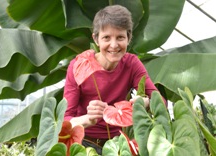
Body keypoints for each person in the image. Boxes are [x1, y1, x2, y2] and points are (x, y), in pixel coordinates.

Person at [63, 4, 166, 155]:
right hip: (85, 144)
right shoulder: (78, 66)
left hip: (119, 144)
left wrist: (144, 103)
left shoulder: (131, 64)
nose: (114, 45)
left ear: (128, 38)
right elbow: (65, 121)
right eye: (106, 37)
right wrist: (88, 119)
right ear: (96, 39)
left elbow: (160, 101)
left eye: (120, 37)